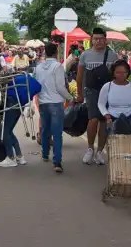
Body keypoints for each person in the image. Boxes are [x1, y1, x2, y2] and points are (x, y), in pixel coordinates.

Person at [76, 27, 118, 165]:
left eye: (101, 39)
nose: (98, 41)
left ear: (105, 40)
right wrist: (80, 94)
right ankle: (90, 148)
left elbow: (117, 75)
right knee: (93, 119)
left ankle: (100, 151)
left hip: (108, 92)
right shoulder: (85, 55)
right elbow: (80, 76)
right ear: (91, 40)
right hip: (92, 91)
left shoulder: (113, 56)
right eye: (96, 39)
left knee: (104, 121)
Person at [0, 67, 41, 168]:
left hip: (11, 103)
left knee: (5, 132)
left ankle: (11, 158)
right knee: (9, 131)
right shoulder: (17, 77)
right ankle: (19, 156)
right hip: (19, 104)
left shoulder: (5, 78)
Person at [35, 43, 73, 173]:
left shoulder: (38, 67)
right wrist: (70, 98)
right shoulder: (58, 67)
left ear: (45, 52)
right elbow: (60, 87)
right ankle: (57, 162)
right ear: (56, 52)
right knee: (57, 134)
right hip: (56, 103)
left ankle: (45, 154)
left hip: (43, 102)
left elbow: (36, 85)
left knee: (45, 130)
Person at [97, 60, 131, 135]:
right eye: (118, 72)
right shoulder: (107, 86)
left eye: (124, 72)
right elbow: (101, 104)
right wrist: (106, 115)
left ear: (128, 73)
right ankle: (101, 146)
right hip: (111, 117)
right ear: (113, 73)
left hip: (130, 117)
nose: (121, 75)